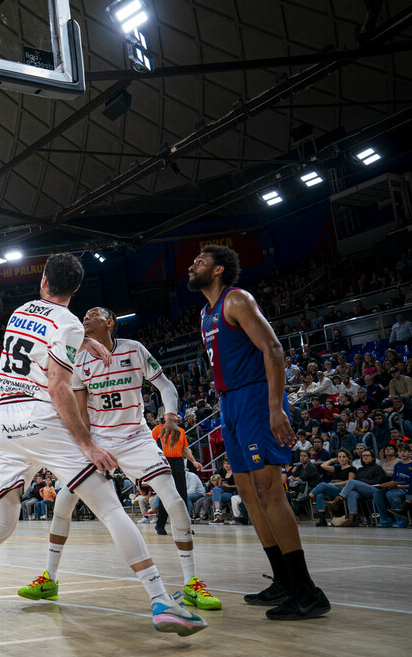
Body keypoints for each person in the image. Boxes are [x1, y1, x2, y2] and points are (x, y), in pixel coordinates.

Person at [0, 253, 207, 647]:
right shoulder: (69, 323)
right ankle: (161, 601)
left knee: (0, 523)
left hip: (3, 420)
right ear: (75, 290)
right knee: (109, 507)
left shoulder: (21, 311)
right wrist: (87, 444)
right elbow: (57, 385)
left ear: (43, 281)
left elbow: (45, 344)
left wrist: (84, 340)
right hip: (41, 416)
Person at [17, 306, 220, 611]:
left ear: (110, 322)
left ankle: (191, 584)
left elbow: (165, 385)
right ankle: (49, 579)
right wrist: (84, 446)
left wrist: (171, 417)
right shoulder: (79, 359)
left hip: (136, 438)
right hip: (99, 440)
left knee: (175, 501)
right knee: (63, 502)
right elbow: (81, 411)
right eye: (83, 314)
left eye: (94, 313)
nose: (86, 317)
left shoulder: (134, 350)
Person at [189, 245, 329, 619]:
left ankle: (307, 589)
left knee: (269, 491)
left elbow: (273, 348)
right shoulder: (205, 313)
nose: (192, 265)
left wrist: (275, 407)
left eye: (200, 261)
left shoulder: (237, 300)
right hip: (230, 403)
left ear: (218, 270)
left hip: (255, 397)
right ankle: (283, 579)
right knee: (249, 494)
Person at [152, 420, 203, 537]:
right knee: (165, 494)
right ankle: (160, 524)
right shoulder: (158, 429)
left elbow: (185, 448)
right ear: (165, 417)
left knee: (182, 494)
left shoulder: (181, 431)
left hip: (178, 461)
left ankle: (186, 526)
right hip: (164, 461)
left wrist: (194, 461)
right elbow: (150, 445)